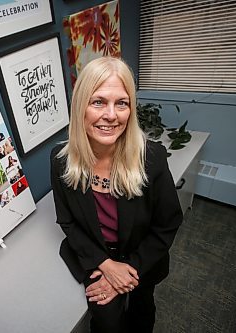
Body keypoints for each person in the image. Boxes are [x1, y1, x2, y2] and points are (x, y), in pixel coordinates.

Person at [50, 56, 182, 333]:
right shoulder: (60, 160)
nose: (111, 115)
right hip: (94, 255)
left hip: (142, 256)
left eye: (121, 103)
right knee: (108, 323)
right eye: (98, 101)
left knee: (142, 310)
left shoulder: (152, 158)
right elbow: (68, 222)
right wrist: (105, 265)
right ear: (80, 107)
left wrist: (128, 269)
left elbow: (167, 224)